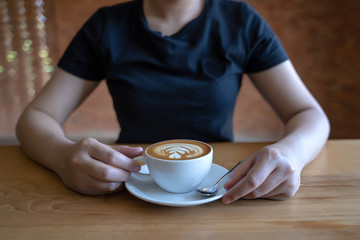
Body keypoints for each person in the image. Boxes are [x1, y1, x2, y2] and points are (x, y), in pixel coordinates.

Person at [16, 0, 330, 204]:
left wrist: (292, 153)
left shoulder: (241, 21)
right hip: (127, 189)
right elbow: (35, 117)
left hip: (221, 191)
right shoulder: (105, 26)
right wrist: (61, 155)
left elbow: (308, 114)